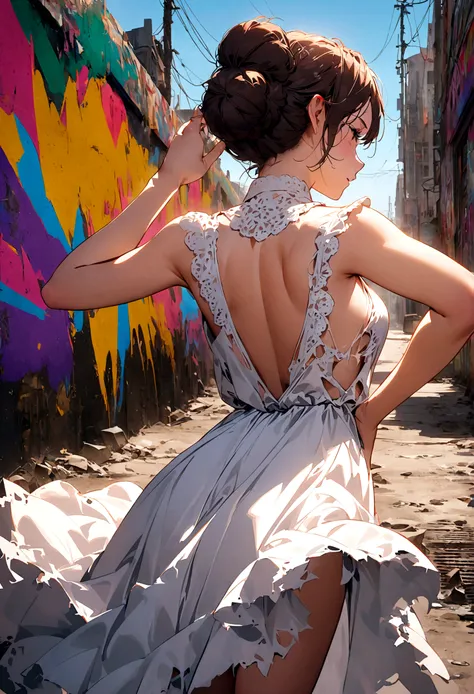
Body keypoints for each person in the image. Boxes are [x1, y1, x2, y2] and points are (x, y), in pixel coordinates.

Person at [1, 18, 473, 694]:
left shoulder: (194, 238)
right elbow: (464, 303)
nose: (361, 157)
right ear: (318, 113)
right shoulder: (348, 229)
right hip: (310, 479)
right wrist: (372, 412)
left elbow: (62, 286)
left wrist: (169, 179)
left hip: (204, 482)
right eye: (357, 134)